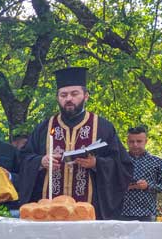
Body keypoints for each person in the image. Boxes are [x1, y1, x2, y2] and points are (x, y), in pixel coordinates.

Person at [16, 67, 133, 220]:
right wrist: (40, 161)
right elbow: (23, 158)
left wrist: (97, 163)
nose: (69, 99)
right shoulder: (44, 128)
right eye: (63, 95)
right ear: (57, 98)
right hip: (49, 214)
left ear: (86, 96)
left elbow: (123, 166)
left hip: (89, 211)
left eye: (74, 94)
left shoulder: (103, 127)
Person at [119, 126, 162, 221]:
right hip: (121, 213)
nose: (135, 145)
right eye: (131, 142)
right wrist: (123, 186)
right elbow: (107, 183)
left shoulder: (157, 162)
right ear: (127, 142)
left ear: (146, 141)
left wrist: (148, 186)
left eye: (139, 141)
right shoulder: (118, 161)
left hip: (147, 214)